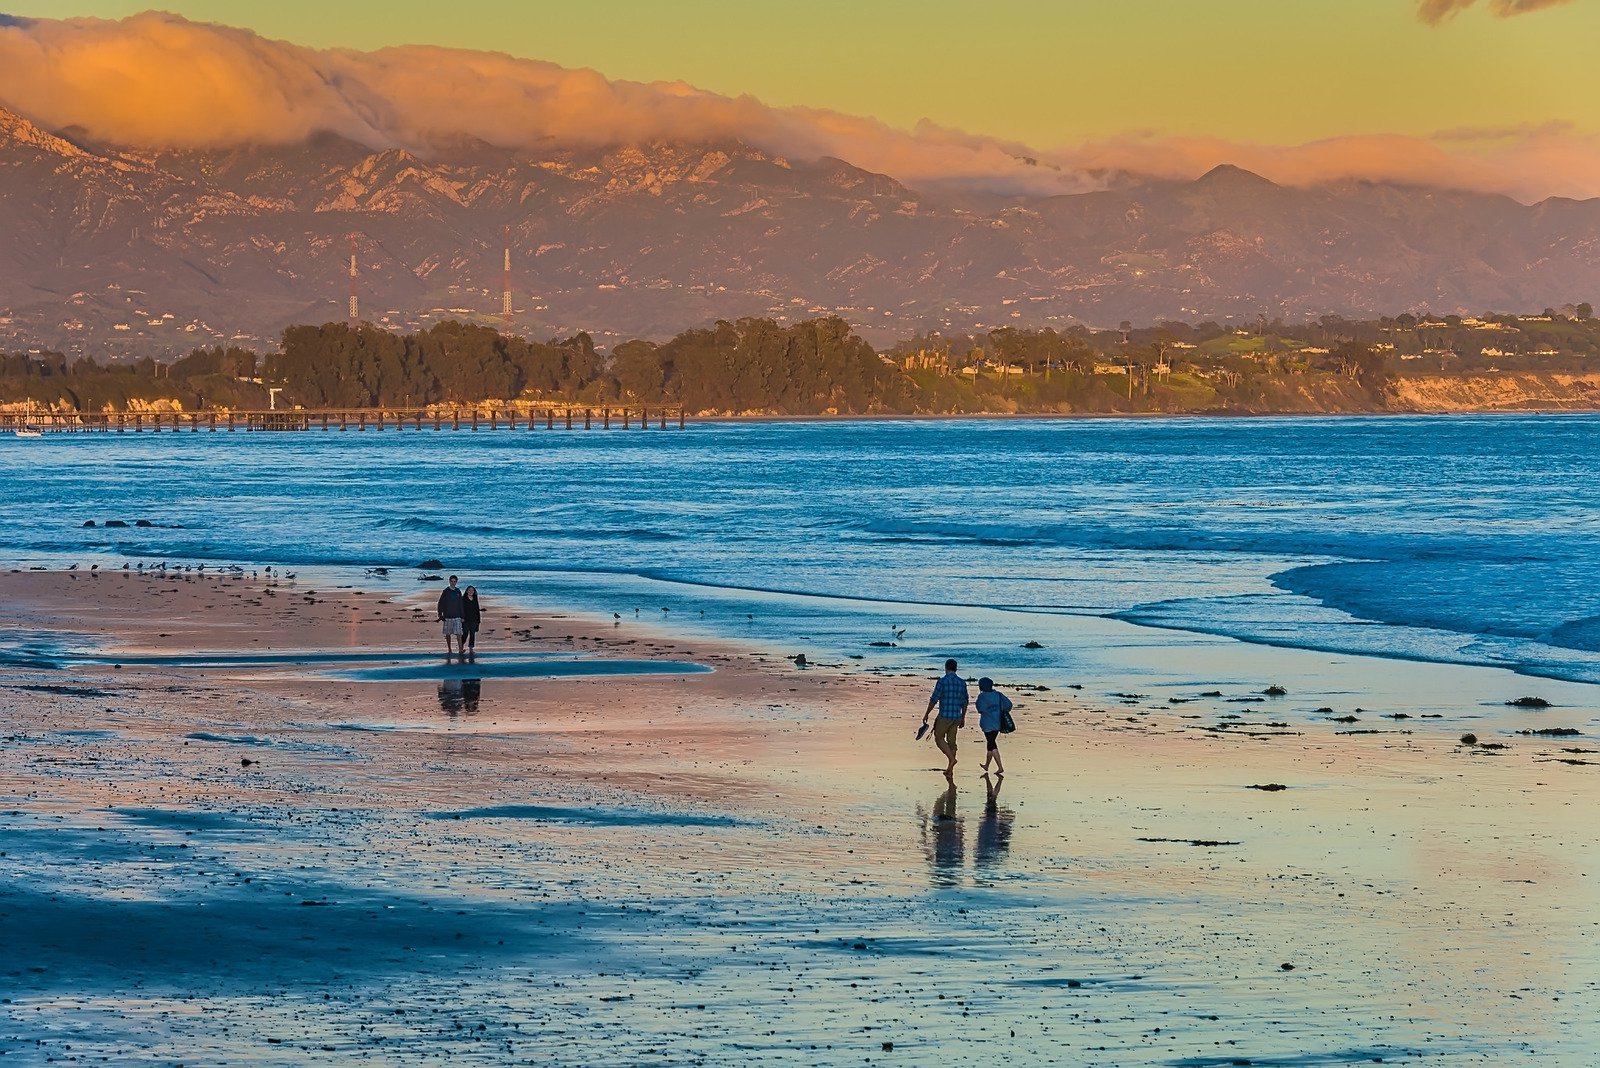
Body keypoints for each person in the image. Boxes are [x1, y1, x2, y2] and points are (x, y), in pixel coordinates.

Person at [922, 658, 969, 777]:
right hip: (956, 716)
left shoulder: (942, 681)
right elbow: (965, 702)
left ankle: (951, 760)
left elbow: (934, 699)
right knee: (952, 742)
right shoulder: (962, 683)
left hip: (945, 716)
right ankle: (950, 770)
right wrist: (963, 717)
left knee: (939, 738)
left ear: (946, 668)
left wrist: (927, 713)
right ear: (956, 668)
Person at [974, 677, 1013, 776]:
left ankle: (1000, 767)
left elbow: (979, 709)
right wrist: (1001, 710)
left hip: (987, 724)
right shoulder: (998, 695)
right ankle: (986, 765)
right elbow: (1009, 704)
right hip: (998, 723)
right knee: (990, 744)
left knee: (992, 744)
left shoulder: (981, 697)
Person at [437, 574, 465, 660]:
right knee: (448, 633)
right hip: (447, 616)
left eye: (454, 581)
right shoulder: (446, 591)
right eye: (452, 581)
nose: (453, 583)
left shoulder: (458, 591)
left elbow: (461, 604)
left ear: (456, 582)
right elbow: (440, 603)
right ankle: (449, 648)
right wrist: (440, 614)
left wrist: (462, 616)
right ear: (449, 581)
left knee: (459, 633)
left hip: (457, 615)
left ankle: (460, 649)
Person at [462, 585, 483, 659]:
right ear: (467, 591)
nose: (471, 591)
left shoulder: (475, 599)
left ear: (474, 592)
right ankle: (461, 646)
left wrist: (478, 620)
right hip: (465, 619)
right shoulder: (463, 599)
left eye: (472, 590)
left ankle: (471, 648)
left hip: (474, 619)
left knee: (472, 634)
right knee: (465, 633)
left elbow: (477, 610)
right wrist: (462, 617)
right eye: (469, 590)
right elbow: (461, 609)